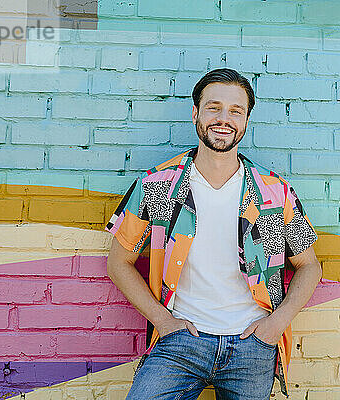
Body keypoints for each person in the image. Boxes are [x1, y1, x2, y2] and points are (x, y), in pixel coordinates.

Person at [106, 68, 322, 399]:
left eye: (236, 111)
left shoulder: (272, 194)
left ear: (246, 120)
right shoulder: (159, 186)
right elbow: (119, 261)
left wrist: (275, 325)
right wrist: (163, 322)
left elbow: (309, 266)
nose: (224, 118)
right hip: (180, 340)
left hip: (252, 344)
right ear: (195, 113)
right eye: (213, 107)